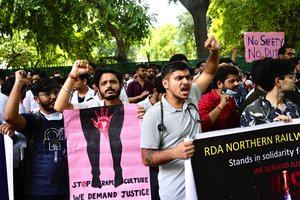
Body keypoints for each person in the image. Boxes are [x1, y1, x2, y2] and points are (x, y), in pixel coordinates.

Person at [140, 36, 220, 200]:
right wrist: (175, 152)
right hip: (174, 193)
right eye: (178, 78)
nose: (186, 82)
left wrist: (214, 51)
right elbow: (146, 157)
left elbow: (210, 71)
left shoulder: (193, 95)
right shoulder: (154, 115)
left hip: (203, 186)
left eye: (188, 78)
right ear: (165, 84)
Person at [54, 60, 144, 188]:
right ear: (98, 88)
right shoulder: (91, 107)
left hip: (131, 182)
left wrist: (145, 120)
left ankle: (118, 172)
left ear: (121, 85)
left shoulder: (134, 111)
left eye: (113, 82)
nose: (109, 86)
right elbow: (59, 106)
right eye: (104, 83)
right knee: (93, 142)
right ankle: (95, 175)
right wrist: (73, 74)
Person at [3, 72, 69, 200]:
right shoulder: (33, 120)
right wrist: (18, 83)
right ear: (36, 99)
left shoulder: (72, 118)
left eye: (56, 92)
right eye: (47, 94)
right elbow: (9, 117)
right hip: (38, 191)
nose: (54, 97)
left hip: (70, 189)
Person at [240, 58, 299, 126]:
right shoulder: (251, 111)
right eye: (291, 77)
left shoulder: (294, 108)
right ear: (278, 81)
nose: (295, 80)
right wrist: (271, 128)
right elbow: (247, 135)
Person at [198, 65, 240, 132]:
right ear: (219, 84)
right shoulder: (206, 100)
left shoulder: (231, 99)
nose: (236, 84)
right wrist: (221, 106)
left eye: (237, 81)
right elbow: (201, 126)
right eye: (232, 81)